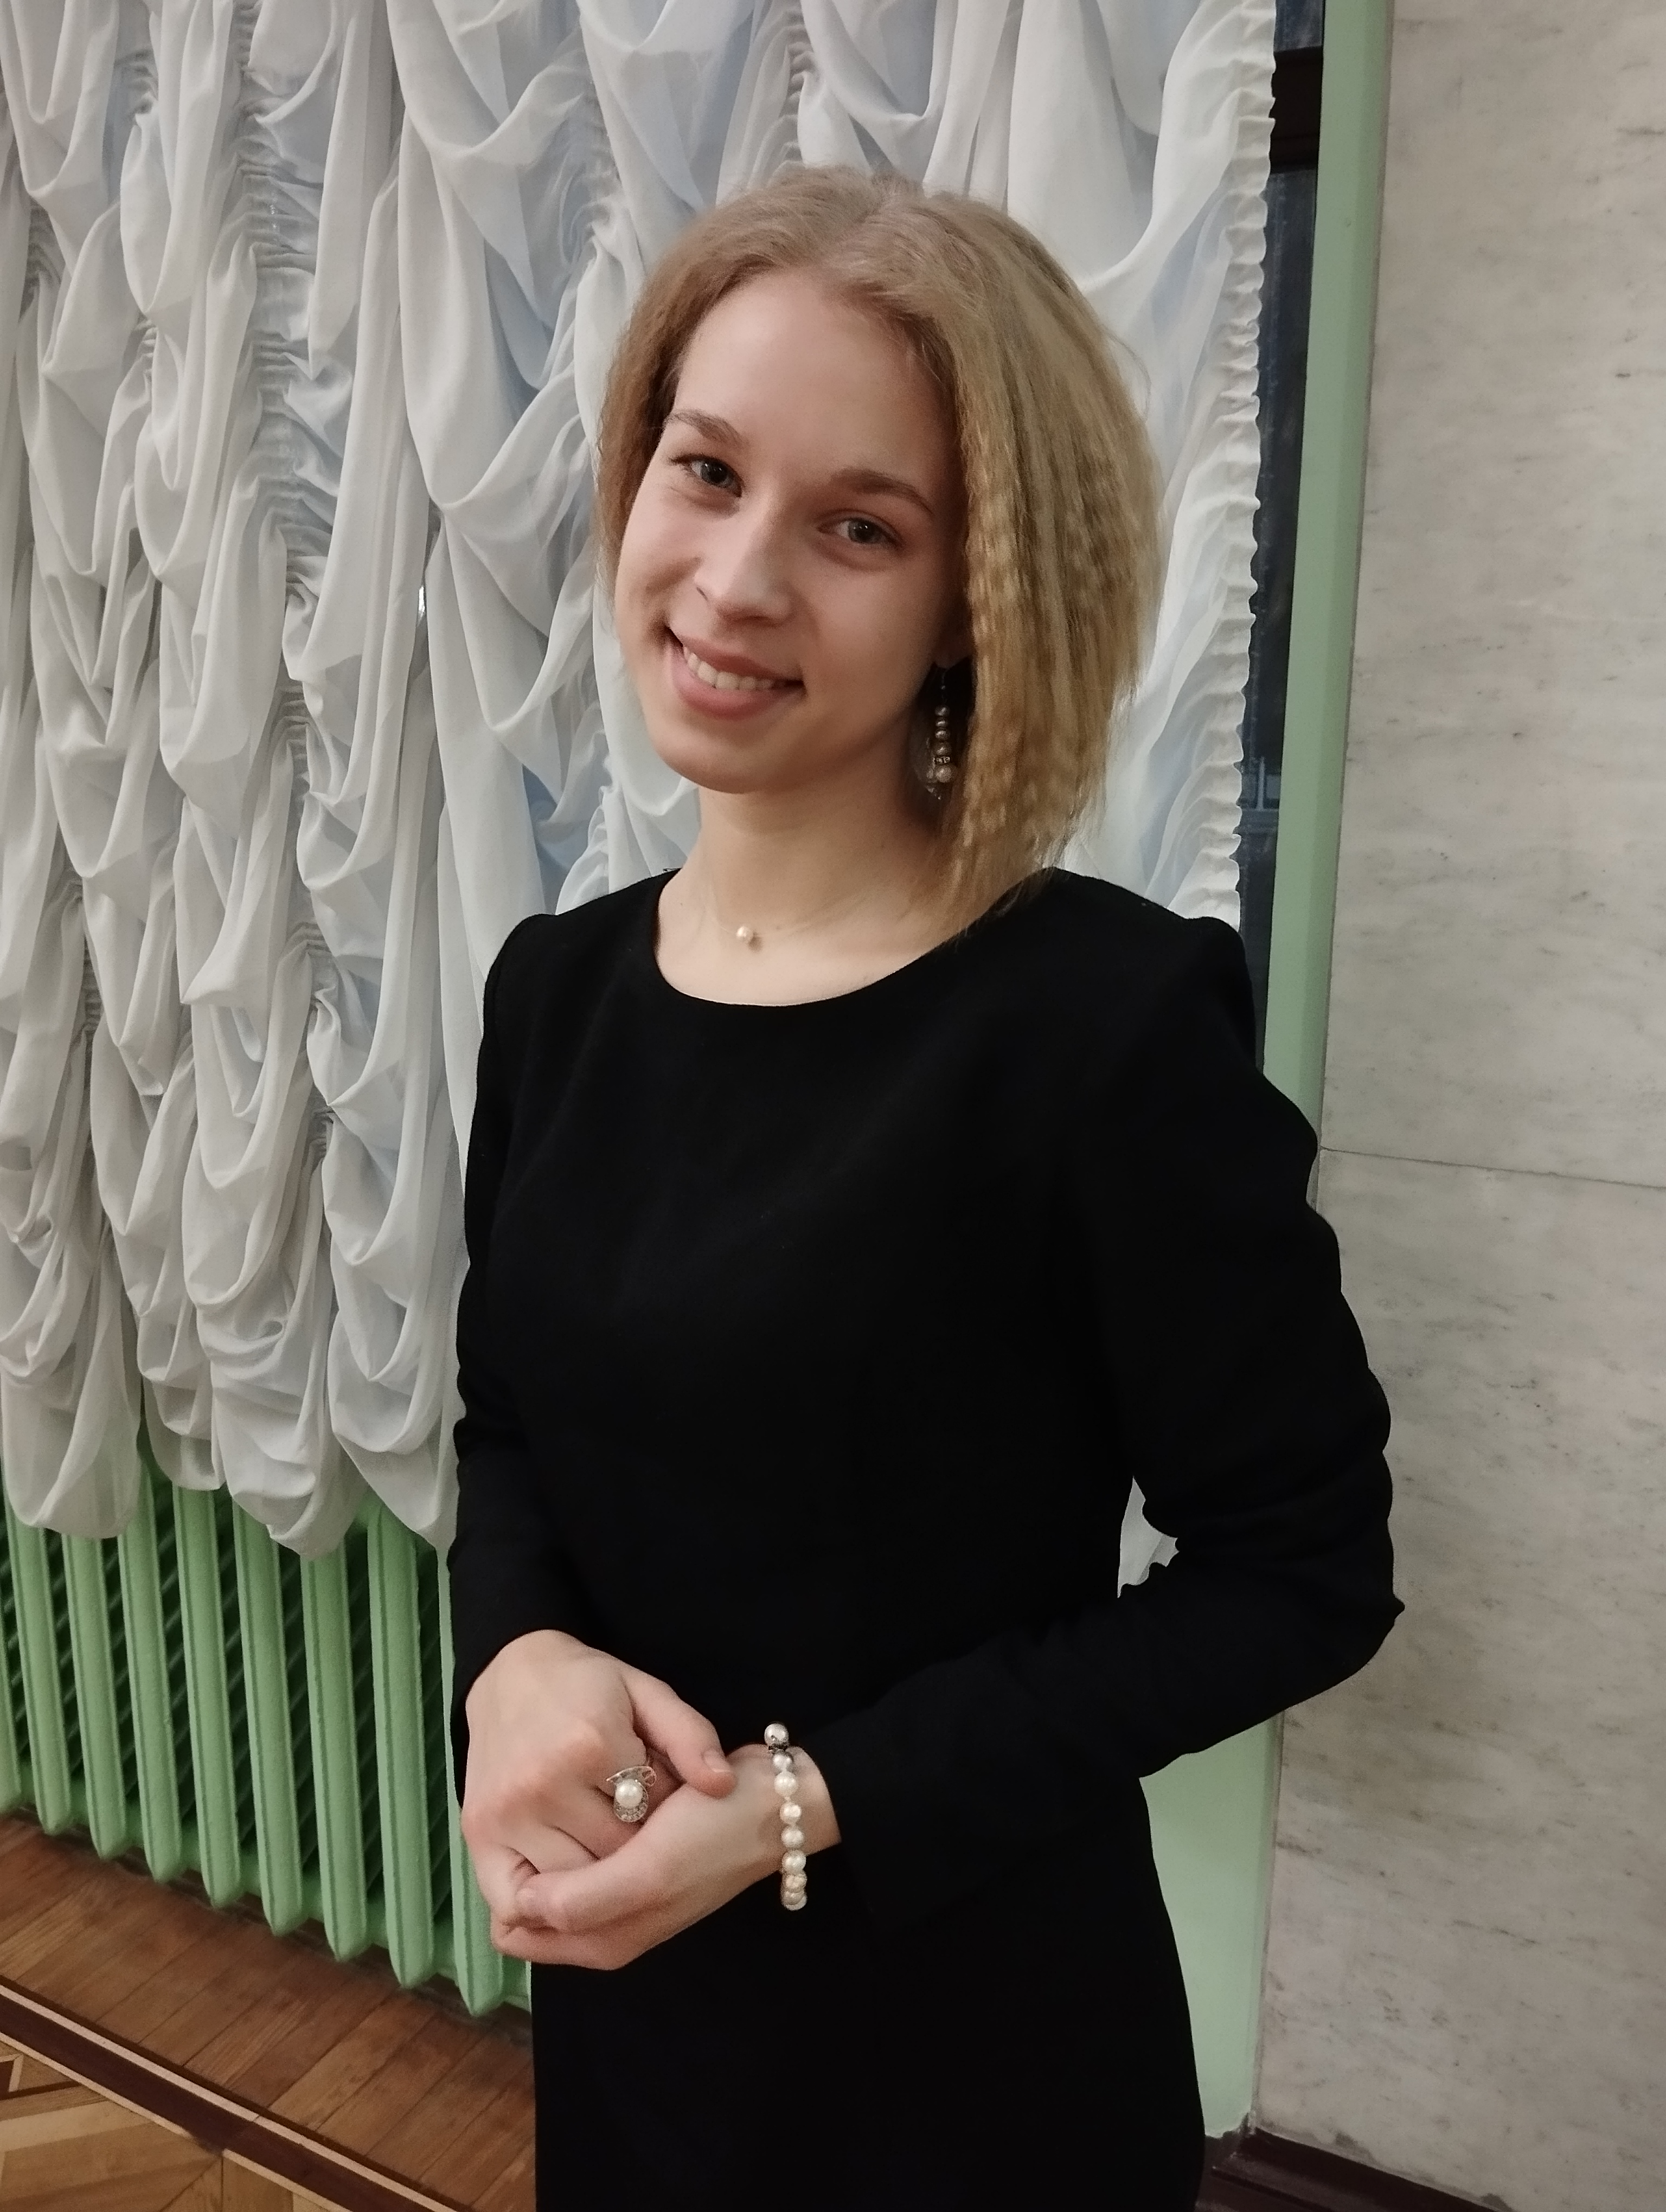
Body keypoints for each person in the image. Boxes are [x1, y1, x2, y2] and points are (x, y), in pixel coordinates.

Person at [448, 166, 1399, 2211]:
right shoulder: (556, 992)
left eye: (859, 526)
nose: (737, 580)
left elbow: (1303, 1571)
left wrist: (806, 1804)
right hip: (636, 2013)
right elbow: (509, 1421)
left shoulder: (1105, 1027)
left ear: (979, 594)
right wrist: (512, 1656)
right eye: (708, 471)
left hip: (971, 2056)